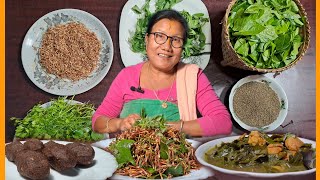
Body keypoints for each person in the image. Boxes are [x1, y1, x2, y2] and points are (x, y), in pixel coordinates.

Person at [92, 9, 232, 137]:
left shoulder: (193, 77)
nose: (166, 47)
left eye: (176, 40)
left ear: (182, 47)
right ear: (147, 40)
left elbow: (223, 122)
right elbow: (98, 122)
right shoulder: (127, 76)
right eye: (159, 36)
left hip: (177, 160)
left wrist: (169, 127)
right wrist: (120, 123)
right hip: (130, 162)